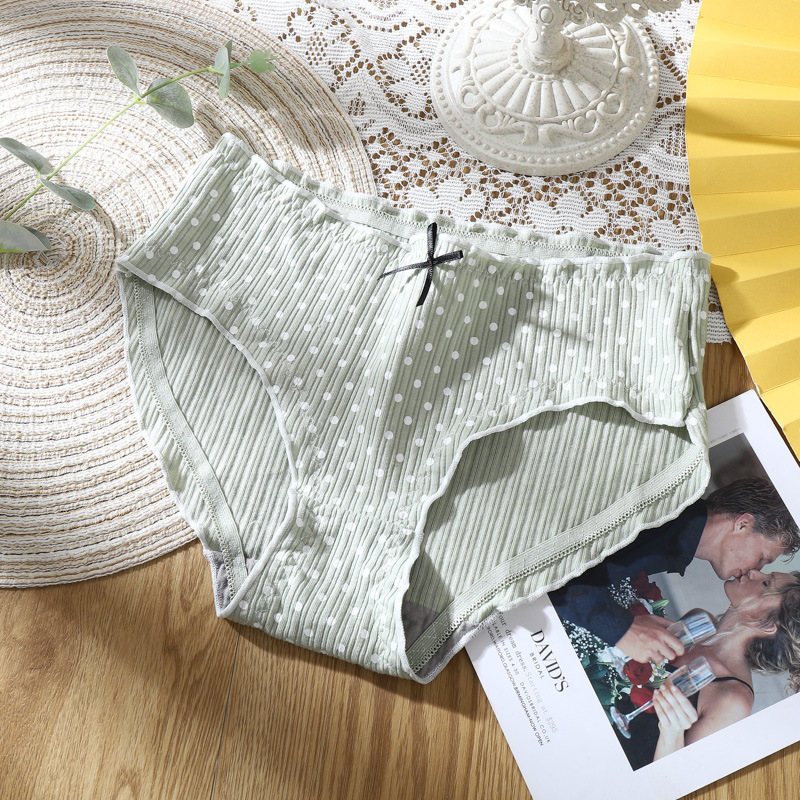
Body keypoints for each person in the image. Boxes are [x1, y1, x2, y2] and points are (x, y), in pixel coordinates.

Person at [549, 477, 800, 663]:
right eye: (762, 558)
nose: (755, 570)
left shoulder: (677, 530)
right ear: (743, 524)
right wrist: (623, 630)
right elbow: (556, 566)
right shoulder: (665, 517)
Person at [622, 569, 800, 767]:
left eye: (766, 583)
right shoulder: (697, 621)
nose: (754, 572)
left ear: (767, 624)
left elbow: (677, 774)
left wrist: (671, 732)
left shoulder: (733, 699)